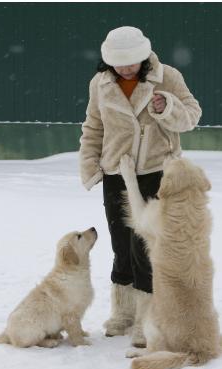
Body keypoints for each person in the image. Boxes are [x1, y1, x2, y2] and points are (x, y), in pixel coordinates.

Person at [79, 26, 202, 347]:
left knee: (147, 247)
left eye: (130, 62)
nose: (124, 68)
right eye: (118, 63)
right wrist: (90, 165)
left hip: (157, 172)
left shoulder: (168, 76)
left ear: (143, 55)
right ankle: (123, 313)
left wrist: (168, 108)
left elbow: (192, 116)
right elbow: (93, 126)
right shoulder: (100, 83)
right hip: (116, 172)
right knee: (121, 243)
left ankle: (148, 320)